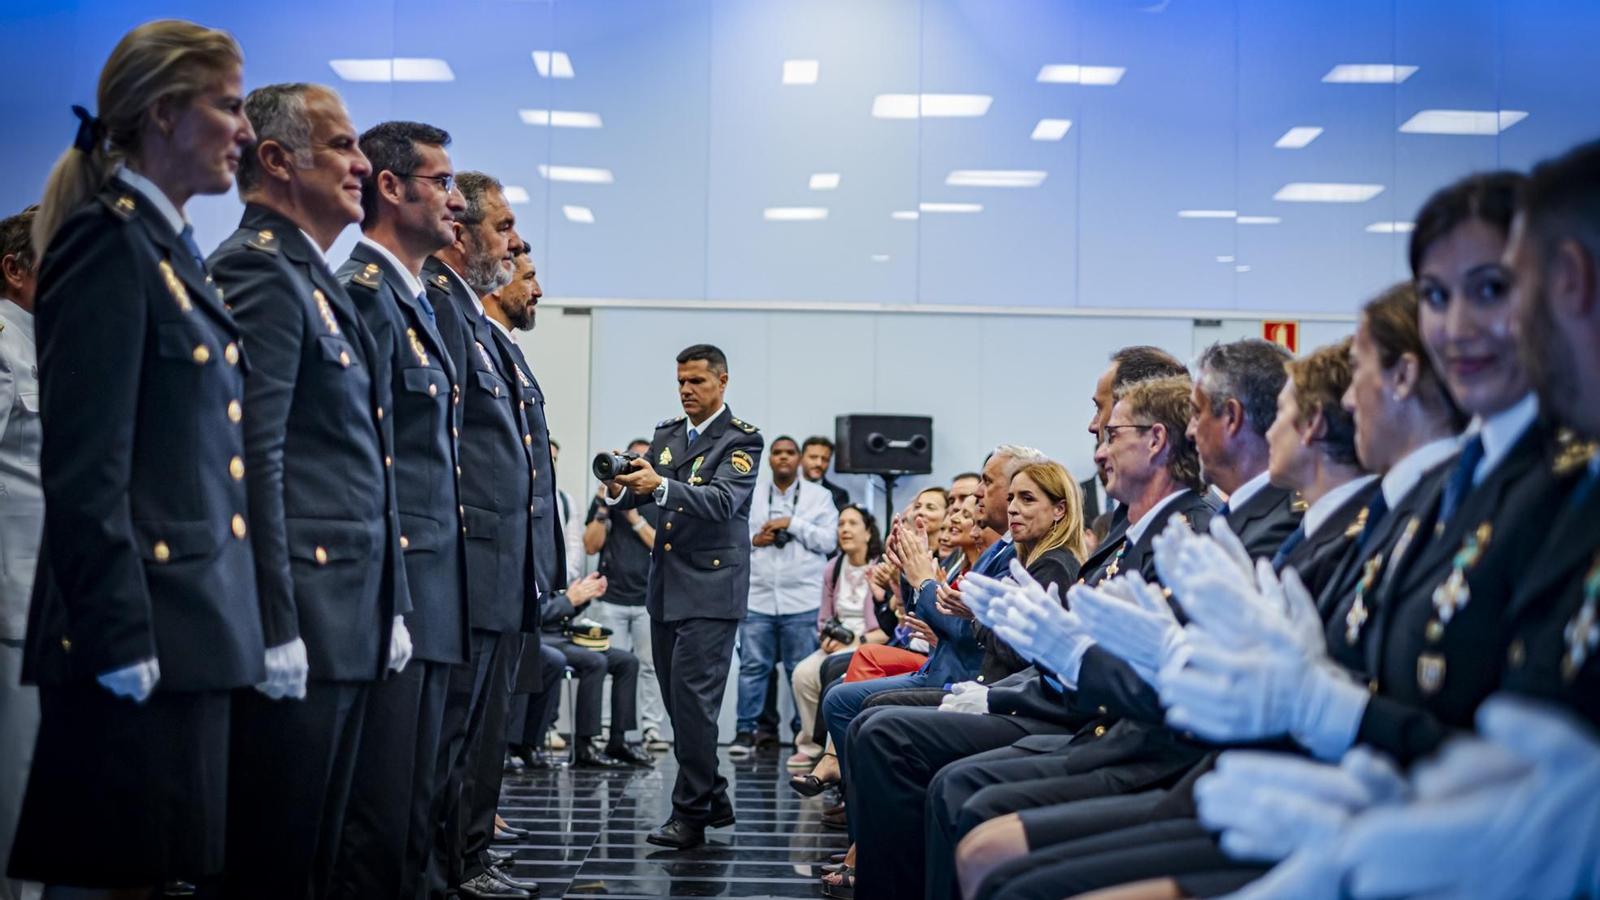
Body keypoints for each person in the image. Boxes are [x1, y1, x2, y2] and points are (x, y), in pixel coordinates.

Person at [8, 20, 266, 896]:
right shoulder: (105, 243)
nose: (246, 131)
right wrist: (116, 635)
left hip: (186, 627)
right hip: (133, 637)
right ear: (162, 113)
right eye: (228, 105)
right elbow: (85, 471)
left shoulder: (166, 248)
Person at [842, 376, 1217, 900]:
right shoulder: (1123, 533)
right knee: (873, 722)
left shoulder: (1169, 535)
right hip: (1062, 706)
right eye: (1006, 496)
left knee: (901, 744)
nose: (1098, 444)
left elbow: (1094, 664)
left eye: (1110, 432)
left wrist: (993, 673)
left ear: (1155, 441)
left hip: (1102, 728)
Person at [208, 75, 410, 900]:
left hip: (347, 615)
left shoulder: (311, 277)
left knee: (320, 858)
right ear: (276, 159)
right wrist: (276, 624)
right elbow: (253, 459)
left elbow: (361, 461)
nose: (361, 163)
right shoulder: (257, 271)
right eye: (342, 144)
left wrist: (387, 603)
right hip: (304, 616)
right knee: (275, 859)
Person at [332, 114, 472, 900]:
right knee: (379, 817)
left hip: (434, 593)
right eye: (441, 183)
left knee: (416, 807)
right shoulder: (364, 294)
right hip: (395, 592)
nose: (454, 200)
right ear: (391, 187)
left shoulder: (415, 299)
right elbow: (366, 461)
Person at [425, 172, 557, 900]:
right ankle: (451, 862)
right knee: (457, 735)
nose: (516, 244)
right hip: (471, 566)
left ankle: (468, 854)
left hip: (503, 570)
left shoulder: (482, 330)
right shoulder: (444, 313)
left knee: (481, 735)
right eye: (504, 227)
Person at [602, 343, 764, 849]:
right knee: (678, 705)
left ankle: (690, 816)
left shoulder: (742, 441)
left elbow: (722, 502)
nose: (687, 390)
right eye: (680, 382)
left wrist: (662, 486)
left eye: (696, 381)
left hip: (713, 590)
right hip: (668, 586)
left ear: (722, 382)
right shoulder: (667, 433)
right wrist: (621, 490)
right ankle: (712, 794)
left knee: (695, 706)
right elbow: (647, 489)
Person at [733, 435, 839, 755]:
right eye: (777, 453)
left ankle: (803, 736)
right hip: (758, 598)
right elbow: (733, 536)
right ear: (769, 459)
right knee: (753, 668)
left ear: (799, 459)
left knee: (799, 670)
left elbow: (828, 541)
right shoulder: (750, 494)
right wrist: (755, 539)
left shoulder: (819, 497)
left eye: (789, 453)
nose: (783, 458)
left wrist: (792, 523)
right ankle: (745, 732)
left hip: (802, 600)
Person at [1262, 339, 1379, 590]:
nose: (1270, 433)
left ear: (1312, 422)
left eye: (1280, 412)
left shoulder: (1354, 541)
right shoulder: (1319, 527)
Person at [0, 206, 41, 900]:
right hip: (12, 600)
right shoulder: (4, 345)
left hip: (56, 602)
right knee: (18, 790)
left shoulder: (56, 344)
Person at [788, 505, 888, 766]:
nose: (845, 529)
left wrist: (859, 641)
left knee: (831, 671)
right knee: (802, 673)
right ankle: (809, 744)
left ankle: (834, 750)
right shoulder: (833, 567)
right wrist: (826, 638)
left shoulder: (882, 566)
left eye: (853, 524)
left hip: (870, 640)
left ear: (868, 533)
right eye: (841, 524)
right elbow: (824, 616)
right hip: (838, 640)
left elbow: (888, 625)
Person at [585, 438, 668, 750]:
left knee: (650, 667)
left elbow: (662, 546)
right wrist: (605, 505)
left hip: (649, 598)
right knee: (606, 666)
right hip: (612, 598)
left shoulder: (659, 498)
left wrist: (633, 518)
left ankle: (651, 731)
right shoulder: (610, 497)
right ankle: (603, 729)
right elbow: (591, 545)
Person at [1187, 339, 1302, 558]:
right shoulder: (1235, 513)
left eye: (1196, 413)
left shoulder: (1282, 527)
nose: (1190, 431)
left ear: (1231, 417)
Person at [535, 568, 654, 767]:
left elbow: (562, 612)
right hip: (542, 639)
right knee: (595, 662)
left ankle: (618, 741)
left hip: (564, 636)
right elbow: (536, 614)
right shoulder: (532, 570)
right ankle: (584, 744)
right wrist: (570, 600)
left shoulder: (552, 571)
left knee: (627, 662)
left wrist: (583, 596)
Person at [801, 435, 851, 510]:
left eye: (825, 459)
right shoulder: (787, 487)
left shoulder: (838, 495)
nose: (819, 463)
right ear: (800, 458)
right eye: (813, 457)